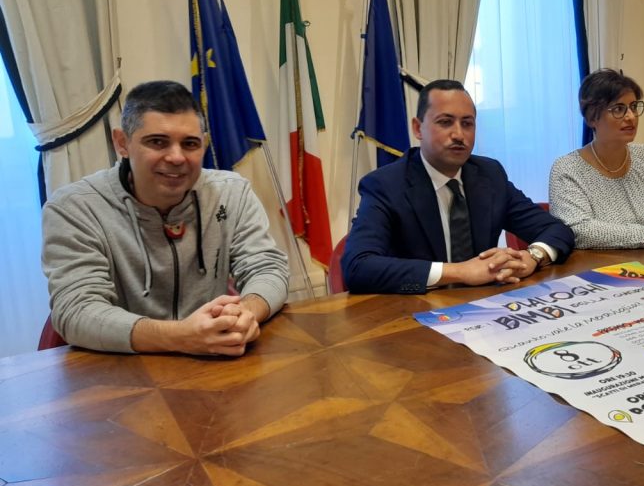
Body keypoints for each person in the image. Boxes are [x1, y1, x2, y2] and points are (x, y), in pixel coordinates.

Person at [41, 80, 289, 356]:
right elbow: (76, 310)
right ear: (122, 143)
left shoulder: (232, 192)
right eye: (157, 142)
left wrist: (246, 313)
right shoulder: (74, 207)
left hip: (214, 361)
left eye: (190, 144)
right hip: (122, 367)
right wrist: (181, 336)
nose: (176, 157)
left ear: (204, 145)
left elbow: (267, 267)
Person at [343, 79, 574, 294]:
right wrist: (460, 271)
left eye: (467, 123)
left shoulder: (489, 175)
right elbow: (357, 267)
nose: (459, 135)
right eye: (445, 122)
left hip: (485, 304)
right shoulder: (386, 185)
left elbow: (556, 230)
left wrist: (532, 257)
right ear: (418, 128)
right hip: (415, 309)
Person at [549, 69, 644, 250]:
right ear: (592, 118)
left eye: (633, 107)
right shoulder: (567, 169)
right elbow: (578, 230)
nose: (631, 117)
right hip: (601, 265)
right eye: (618, 109)